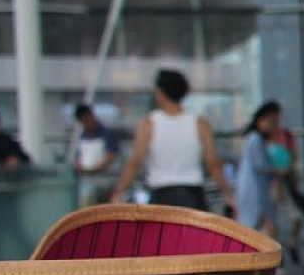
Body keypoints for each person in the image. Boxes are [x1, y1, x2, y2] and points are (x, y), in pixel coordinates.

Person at [110, 69, 237, 215]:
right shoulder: (200, 123)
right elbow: (213, 164)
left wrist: (118, 192)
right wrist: (228, 194)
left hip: (161, 196)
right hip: (193, 196)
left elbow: (135, 163)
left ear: (160, 93)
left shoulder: (148, 124)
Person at [235, 101, 284, 237]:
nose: (274, 125)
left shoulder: (254, 139)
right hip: (255, 192)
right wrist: (278, 171)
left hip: (255, 191)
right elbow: (261, 165)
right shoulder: (256, 139)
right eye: (271, 121)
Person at [70, 104, 121, 205]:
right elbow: (78, 158)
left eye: (87, 119)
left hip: (106, 183)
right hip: (87, 184)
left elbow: (110, 157)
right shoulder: (81, 137)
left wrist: (94, 169)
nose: (86, 123)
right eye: (83, 121)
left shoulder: (107, 134)